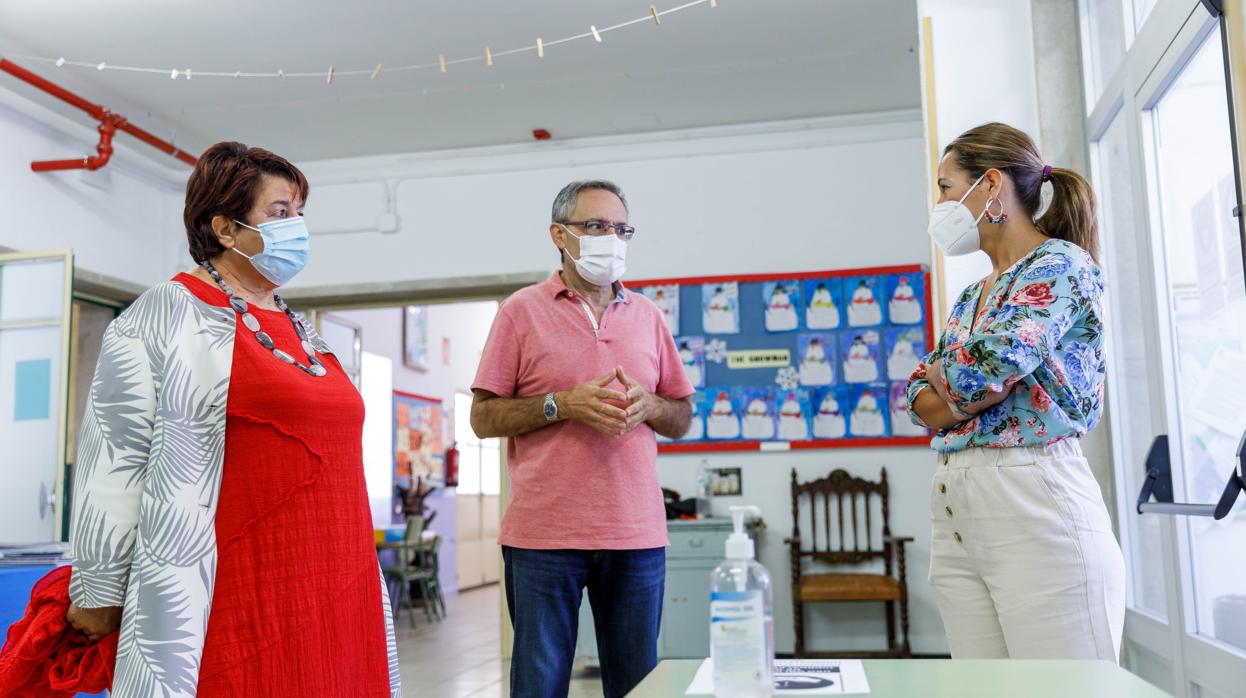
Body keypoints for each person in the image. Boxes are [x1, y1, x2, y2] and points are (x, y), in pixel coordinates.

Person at [64, 142, 401, 697]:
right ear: (225, 228)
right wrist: (98, 587)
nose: (298, 227)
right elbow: (115, 454)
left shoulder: (302, 330)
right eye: (280, 212)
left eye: (300, 213)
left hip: (338, 574)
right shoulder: (167, 311)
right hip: (235, 585)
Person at [906, 123, 1124, 661]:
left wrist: (952, 379)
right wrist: (953, 384)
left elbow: (981, 371)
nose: (940, 203)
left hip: (1035, 498)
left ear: (991, 186)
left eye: (946, 186)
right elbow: (918, 398)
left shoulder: (1061, 265)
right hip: (959, 502)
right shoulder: (970, 297)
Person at [470, 180, 694, 697]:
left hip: (635, 534)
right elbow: (483, 417)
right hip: (542, 537)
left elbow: (681, 415)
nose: (610, 239)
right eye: (596, 226)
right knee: (539, 684)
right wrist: (561, 404)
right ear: (559, 235)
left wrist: (651, 406)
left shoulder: (648, 316)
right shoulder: (520, 311)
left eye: (620, 229)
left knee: (638, 685)